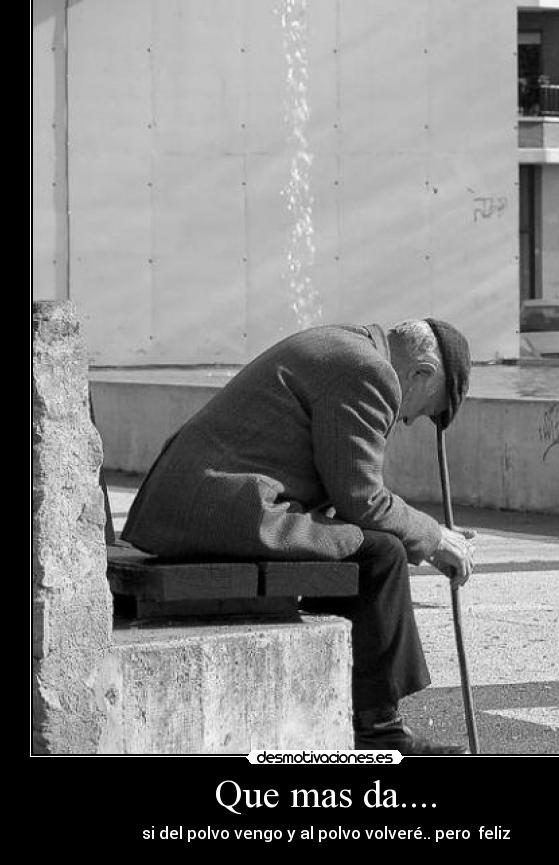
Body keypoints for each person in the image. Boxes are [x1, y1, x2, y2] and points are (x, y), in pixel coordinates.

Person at [122, 317, 476, 755]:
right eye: (425, 409)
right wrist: (433, 538)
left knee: (350, 543)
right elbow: (362, 498)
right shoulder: (369, 371)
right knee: (380, 552)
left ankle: (353, 711)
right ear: (421, 373)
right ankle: (379, 733)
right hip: (223, 508)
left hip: (203, 502)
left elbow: (348, 494)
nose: (408, 421)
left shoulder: (347, 342)